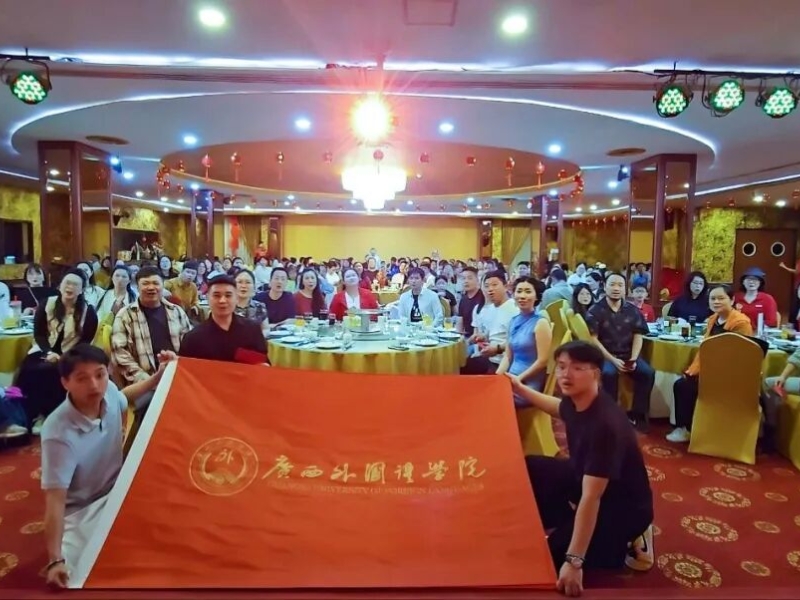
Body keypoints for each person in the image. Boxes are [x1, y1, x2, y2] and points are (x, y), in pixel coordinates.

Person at [508, 341, 654, 597]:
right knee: (534, 467)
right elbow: (558, 408)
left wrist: (574, 562)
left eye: (577, 368)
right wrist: (520, 388)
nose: (566, 374)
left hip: (622, 506)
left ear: (595, 373)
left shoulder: (604, 426)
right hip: (590, 478)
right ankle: (572, 525)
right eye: (562, 366)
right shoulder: (581, 399)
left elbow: (591, 497)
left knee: (553, 559)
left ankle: (627, 539)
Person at [41, 344, 173, 588]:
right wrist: (54, 559)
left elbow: (124, 397)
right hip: (83, 509)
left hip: (119, 490)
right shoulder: (57, 433)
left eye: (100, 374)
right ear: (65, 383)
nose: (94, 385)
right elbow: (55, 500)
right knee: (82, 573)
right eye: (82, 378)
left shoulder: (109, 391)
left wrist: (158, 377)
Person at [110, 266, 191, 446]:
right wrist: (152, 381)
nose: (151, 287)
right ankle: (138, 453)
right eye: (145, 283)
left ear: (163, 285)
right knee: (154, 405)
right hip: (143, 382)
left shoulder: (176, 311)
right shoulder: (125, 315)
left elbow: (189, 347)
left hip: (177, 378)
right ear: (137, 286)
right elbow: (120, 355)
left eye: (155, 283)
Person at [17, 269, 98, 434]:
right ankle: (33, 415)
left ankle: (52, 416)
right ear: (60, 286)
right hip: (43, 350)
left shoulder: (88, 311)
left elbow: (85, 341)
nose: (70, 287)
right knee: (31, 369)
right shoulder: (47, 304)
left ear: (82, 290)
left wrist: (65, 356)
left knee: (55, 370)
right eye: (67, 283)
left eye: (75, 284)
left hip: (72, 353)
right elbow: (39, 334)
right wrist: (49, 352)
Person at [667, 284, 752, 443]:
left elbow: (738, 356)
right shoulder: (713, 319)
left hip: (730, 374)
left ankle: (688, 428)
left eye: (721, 298)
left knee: (685, 387)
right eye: (713, 299)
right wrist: (693, 371)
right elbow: (705, 349)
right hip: (709, 369)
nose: (716, 302)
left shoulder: (741, 323)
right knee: (681, 384)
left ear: (732, 300)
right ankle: (684, 428)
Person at [585, 273, 654, 432]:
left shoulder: (632, 310)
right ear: (605, 286)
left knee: (647, 373)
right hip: (605, 356)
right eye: (612, 284)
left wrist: (634, 359)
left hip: (628, 354)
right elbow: (593, 339)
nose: (616, 288)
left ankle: (638, 415)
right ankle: (610, 417)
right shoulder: (595, 310)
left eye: (620, 285)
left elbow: (638, 335)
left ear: (625, 289)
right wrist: (612, 360)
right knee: (609, 374)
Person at [179, 275, 268, 364]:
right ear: (207, 298)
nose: (222, 300)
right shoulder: (193, 338)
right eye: (216, 295)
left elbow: (262, 362)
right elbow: (184, 369)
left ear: (236, 298)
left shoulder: (252, 330)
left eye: (228, 295)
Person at [496, 277, 551, 406]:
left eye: (528, 291)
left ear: (536, 296)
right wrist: (497, 376)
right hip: (512, 378)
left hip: (529, 383)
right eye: (519, 291)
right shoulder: (513, 321)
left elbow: (543, 361)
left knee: (495, 400)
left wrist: (519, 379)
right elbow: (508, 356)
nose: (522, 296)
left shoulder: (541, 323)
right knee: (488, 392)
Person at [462, 271, 518, 374]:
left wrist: (496, 349)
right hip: (489, 358)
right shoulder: (490, 309)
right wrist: (482, 337)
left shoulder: (515, 309)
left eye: (494, 285)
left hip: (505, 362)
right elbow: (490, 335)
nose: (490, 289)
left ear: (505, 287)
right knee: (459, 365)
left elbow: (518, 342)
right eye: (487, 286)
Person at [457, 267, 484, 337]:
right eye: (463, 278)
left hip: (480, 337)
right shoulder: (463, 299)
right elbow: (460, 321)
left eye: (469, 278)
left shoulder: (483, 297)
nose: (466, 281)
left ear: (477, 280)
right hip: (466, 337)